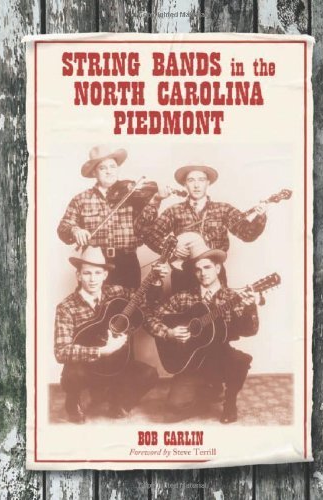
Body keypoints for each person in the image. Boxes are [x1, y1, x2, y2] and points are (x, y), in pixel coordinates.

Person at [144, 239, 261, 424]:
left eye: (207, 267)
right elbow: (149, 316)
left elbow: (250, 331)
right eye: (198, 269)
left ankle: (229, 402)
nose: (202, 273)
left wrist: (250, 307)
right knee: (171, 413)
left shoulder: (232, 297)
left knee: (239, 361)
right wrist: (169, 333)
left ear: (218, 268)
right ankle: (206, 395)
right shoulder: (184, 297)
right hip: (190, 360)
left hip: (219, 357)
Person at [54, 246, 168, 423]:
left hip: (117, 365)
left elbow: (145, 299)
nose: (93, 279)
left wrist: (157, 280)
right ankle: (73, 401)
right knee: (72, 374)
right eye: (87, 273)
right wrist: (102, 351)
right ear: (78, 275)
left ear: (105, 275)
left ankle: (118, 402)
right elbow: (61, 351)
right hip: (87, 368)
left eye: (97, 273)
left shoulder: (116, 292)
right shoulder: (66, 307)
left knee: (149, 374)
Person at [143, 164, 267, 292]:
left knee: (217, 311)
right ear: (184, 184)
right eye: (191, 180)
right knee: (182, 311)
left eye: (201, 180)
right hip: (183, 273)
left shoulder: (223, 209)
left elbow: (248, 235)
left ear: (208, 183)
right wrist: (170, 249)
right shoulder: (174, 211)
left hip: (213, 273)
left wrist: (260, 216)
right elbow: (149, 234)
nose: (196, 185)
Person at [57, 145, 167, 288]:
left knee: (127, 308)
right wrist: (75, 230)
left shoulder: (132, 194)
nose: (109, 172)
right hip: (95, 264)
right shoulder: (81, 199)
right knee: (96, 308)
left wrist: (155, 201)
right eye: (103, 168)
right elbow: (63, 228)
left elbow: (144, 227)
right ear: (94, 173)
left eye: (113, 167)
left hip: (127, 262)